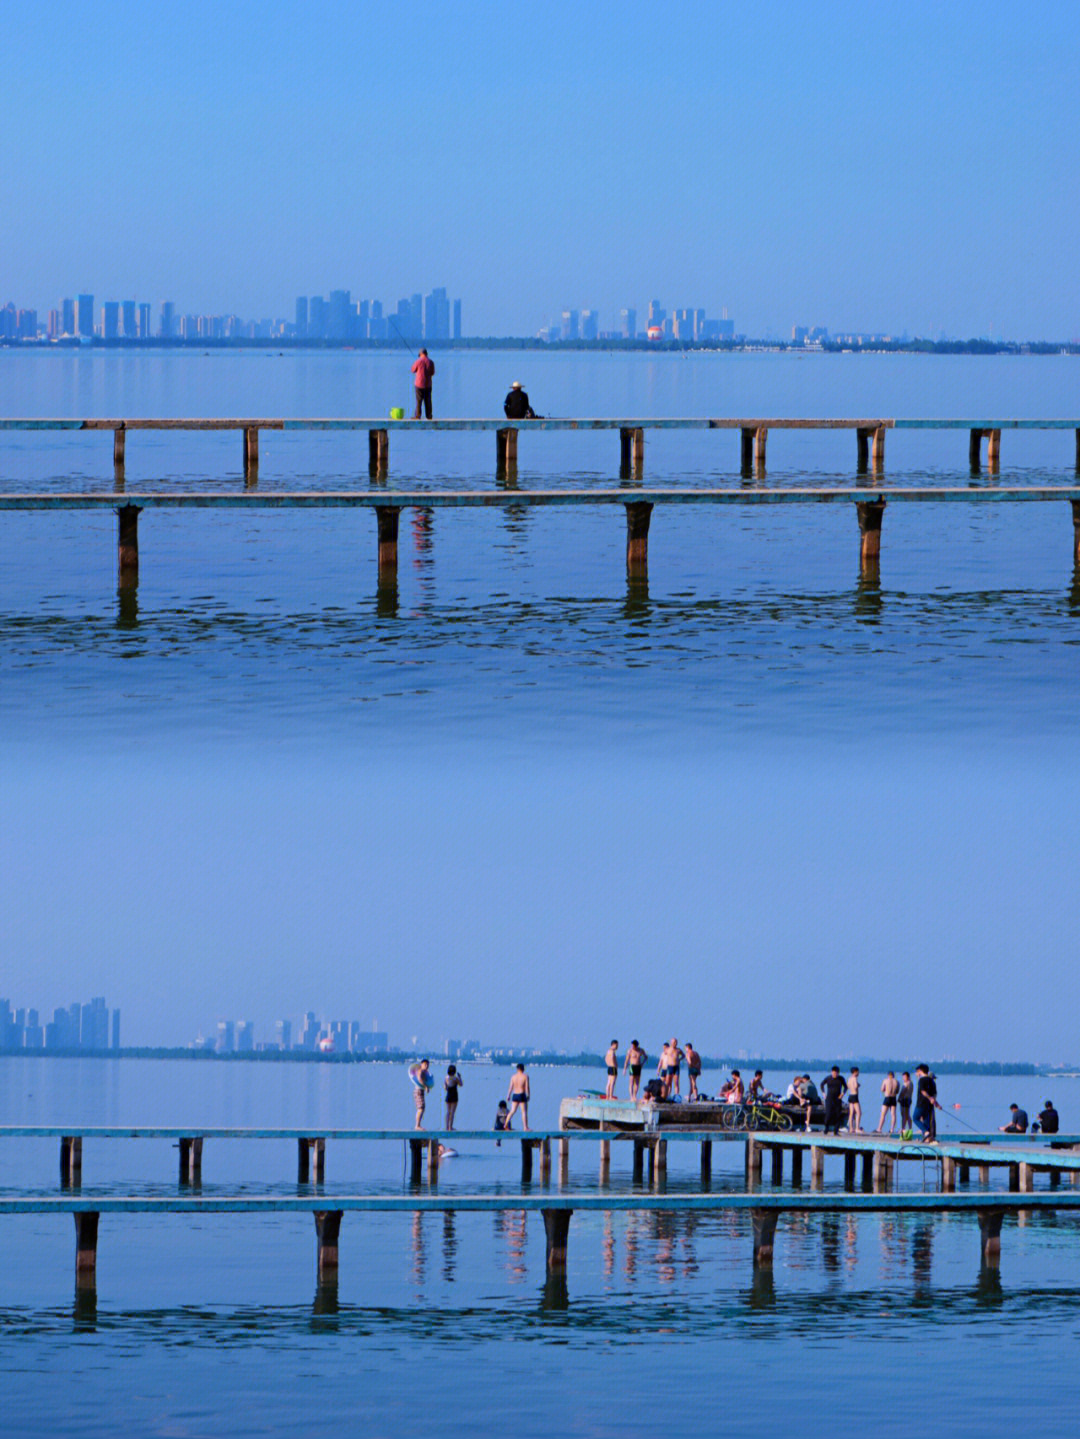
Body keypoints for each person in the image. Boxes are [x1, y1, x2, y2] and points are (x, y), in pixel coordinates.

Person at [913, 1064, 940, 1140]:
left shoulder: (922, 1080)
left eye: (918, 1071)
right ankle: (928, 1138)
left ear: (920, 1071)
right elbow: (934, 1093)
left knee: (915, 1118)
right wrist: (933, 1101)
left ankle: (926, 1132)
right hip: (929, 1105)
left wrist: (929, 1098)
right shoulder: (931, 1080)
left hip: (921, 1103)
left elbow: (923, 1091)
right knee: (926, 1121)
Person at [821, 1065, 846, 1136]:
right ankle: (826, 1129)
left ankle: (836, 1131)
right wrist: (823, 1093)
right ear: (832, 1072)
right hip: (829, 1098)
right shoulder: (828, 1078)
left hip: (838, 1099)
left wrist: (843, 1093)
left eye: (836, 1073)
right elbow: (822, 1084)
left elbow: (846, 1087)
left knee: (838, 1115)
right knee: (828, 1114)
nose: (835, 1074)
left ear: (838, 1073)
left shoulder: (841, 1079)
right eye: (834, 1073)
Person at [411, 347, 434, 419]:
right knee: (428, 401)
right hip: (428, 384)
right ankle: (429, 415)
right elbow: (432, 373)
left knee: (419, 401)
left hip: (419, 384)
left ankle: (417, 416)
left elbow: (412, 370)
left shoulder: (418, 361)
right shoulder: (431, 362)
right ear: (426, 354)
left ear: (420, 354)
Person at [506, 1063, 530, 1129]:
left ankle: (505, 1124)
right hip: (522, 1094)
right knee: (524, 1112)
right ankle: (525, 1127)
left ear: (517, 1069)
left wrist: (508, 1095)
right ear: (523, 1069)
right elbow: (527, 1087)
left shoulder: (513, 1077)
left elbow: (510, 1087)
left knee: (512, 1111)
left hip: (515, 1095)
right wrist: (528, 1095)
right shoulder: (525, 1076)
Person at [410, 1058, 432, 1129]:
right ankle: (417, 1125)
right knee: (420, 1108)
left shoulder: (424, 1072)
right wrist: (426, 1087)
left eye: (427, 1065)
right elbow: (419, 1079)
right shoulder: (420, 1071)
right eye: (425, 1065)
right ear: (421, 1064)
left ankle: (418, 1125)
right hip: (418, 1091)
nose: (426, 1066)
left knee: (422, 1107)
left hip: (420, 1091)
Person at [444, 1064, 463, 1130]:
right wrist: (460, 1077)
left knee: (448, 1112)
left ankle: (446, 1126)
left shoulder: (446, 1077)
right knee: (452, 1112)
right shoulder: (455, 1078)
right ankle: (450, 1127)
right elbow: (461, 1084)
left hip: (448, 1095)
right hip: (454, 1095)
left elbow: (445, 1087)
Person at [846, 1067, 862, 1133]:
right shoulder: (855, 1078)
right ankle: (857, 1128)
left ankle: (851, 1128)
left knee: (851, 1113)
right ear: (855, 1072)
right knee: (859, 1113)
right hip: (855, 1096)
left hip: (850, 1095)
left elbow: (847, 1086)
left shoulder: (849, 1078)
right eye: (858, 1072)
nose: (858, 1073)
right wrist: (858, 1085)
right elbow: (855, 1086)